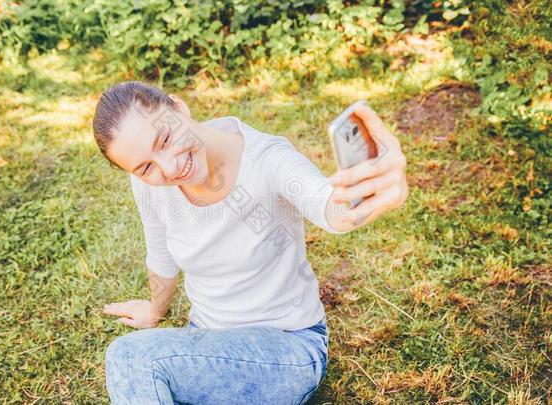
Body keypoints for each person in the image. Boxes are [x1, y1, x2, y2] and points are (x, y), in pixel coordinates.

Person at [92, 81, 408, 404]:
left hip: (287, 347)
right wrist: (153, 310)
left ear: (178, 107)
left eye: (165, 138)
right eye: (146, 167)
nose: (169, 168)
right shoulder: (147, 183)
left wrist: (367, 193)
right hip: (207, 341)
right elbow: (160, 251)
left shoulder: (266, 159)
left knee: (131, 359)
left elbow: (330, 207)